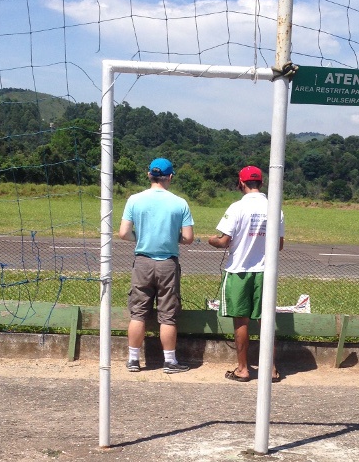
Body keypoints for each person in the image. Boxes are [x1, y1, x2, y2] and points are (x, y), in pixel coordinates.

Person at [208, 165, 285, 382]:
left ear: (241, 183)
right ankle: (270, 368)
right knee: (265, 321)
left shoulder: (236, 208)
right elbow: (278, 245)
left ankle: (243, 368)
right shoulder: (275, 208)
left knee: (241, 322)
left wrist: (212, 240)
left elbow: (224, 241)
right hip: (265, 271)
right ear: (261, 183)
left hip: (239, 270)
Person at [118, 157, 195, 374]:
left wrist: (140, 236)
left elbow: (123, 233)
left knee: (138, 312)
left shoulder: (134, 199)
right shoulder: (180, 203)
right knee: (168, 315)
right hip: (168, 263)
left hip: (142, 261)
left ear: (149, 175)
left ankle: (133, 359)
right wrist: (173, 237)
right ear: (170, 177)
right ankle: (170, 361)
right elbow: (188, 237)